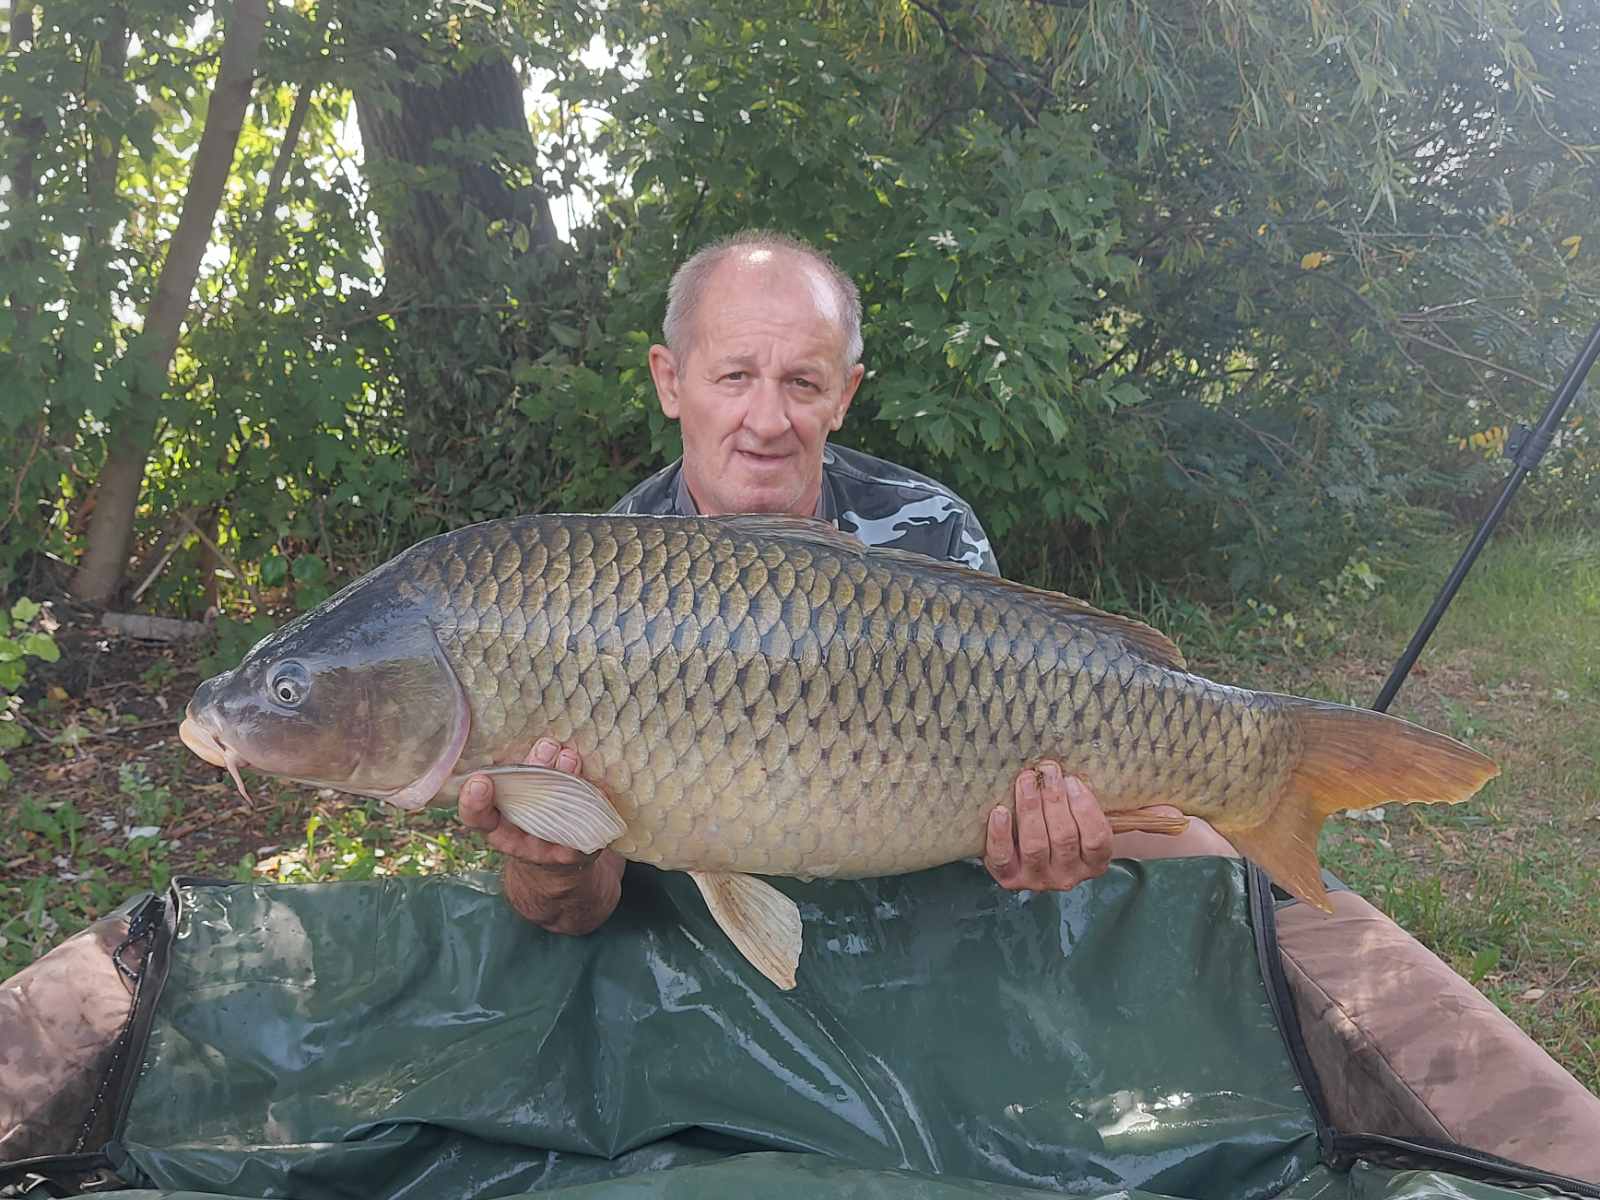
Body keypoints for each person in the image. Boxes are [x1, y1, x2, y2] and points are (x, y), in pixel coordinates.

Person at [457, 229, 1231, 936]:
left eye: (802, 382)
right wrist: (551, 867)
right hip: (700, 948)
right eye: (734, 376)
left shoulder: (930, 529)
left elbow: (1015, 804)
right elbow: (575, 913)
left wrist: (1037, 842)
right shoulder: (593, 587)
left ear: (844, 396)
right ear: (670, 380)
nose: (767, 420)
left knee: (1220, 860)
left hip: (920, 932)